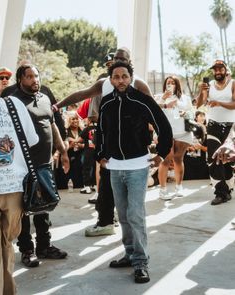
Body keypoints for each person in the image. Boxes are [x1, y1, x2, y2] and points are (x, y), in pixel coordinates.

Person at [53, 48, 154, 237]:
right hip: (108, 145)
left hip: (133, 148)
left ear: (130, 63)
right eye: (115, 58)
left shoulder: (138, 83)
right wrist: (58, 105)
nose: (117, 61)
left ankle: (135, 245)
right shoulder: (105, 83)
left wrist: (156, 144)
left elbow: (154, 111)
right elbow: (80, 94)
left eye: (121, 59)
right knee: (106, 185)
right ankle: (106, 221)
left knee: (132, 199)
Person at [95, 61, 172, 283]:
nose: (120, 80)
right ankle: (129, 254)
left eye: (124, 76)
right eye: (116, 77)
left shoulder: (142, 101)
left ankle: (141, 262)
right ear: (111, 79)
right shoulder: (107, 103)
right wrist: (100, 155)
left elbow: (163, 126)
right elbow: (100, 131)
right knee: (123, 214)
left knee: (135, 214)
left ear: (131, 77)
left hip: (138, 166)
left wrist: (161, 153)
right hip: (115, 168)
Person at [12, 64, 70, 267]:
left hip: (45, 164)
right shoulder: (12, 101)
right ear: (21, 79)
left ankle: (44, 247)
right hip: (22, 166)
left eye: (36, 76)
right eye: (29, 77)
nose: (34, 80)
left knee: (44, 206)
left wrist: (63, 152)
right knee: (25, 209)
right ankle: (27, 250)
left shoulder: (44, 98)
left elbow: (52, 125)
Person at [0, 95, 38, 294]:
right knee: (6, 243)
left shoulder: (13, 103)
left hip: (13, 185)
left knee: (5, 243)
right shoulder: (13, 104)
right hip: (14, 185)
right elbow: (32, 140)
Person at [196, 60, 235, 205]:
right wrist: (202, 91)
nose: (218, 72)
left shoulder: (232, 83)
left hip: (230, 126)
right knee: (213, 157)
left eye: (220, 69)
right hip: (212, 125)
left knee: (226, 158)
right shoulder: (210, 85)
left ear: (225, 70)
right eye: (215, 70)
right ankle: (220, 192)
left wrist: (219, 103)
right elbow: (200, 103)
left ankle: (228, 189)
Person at [155, 75, 194, 200]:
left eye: (173, 82)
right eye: (168, 82)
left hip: (182, 132)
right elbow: (153, 110)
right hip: (166, 132)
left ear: (177, 84)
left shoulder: (185, 98)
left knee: (178, 159)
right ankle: (163, 190)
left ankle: (178, 187)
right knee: (166, 159)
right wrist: (164, 98)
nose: (170, 84)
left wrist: (185, 112)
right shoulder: (159, 97)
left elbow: (192, 113)